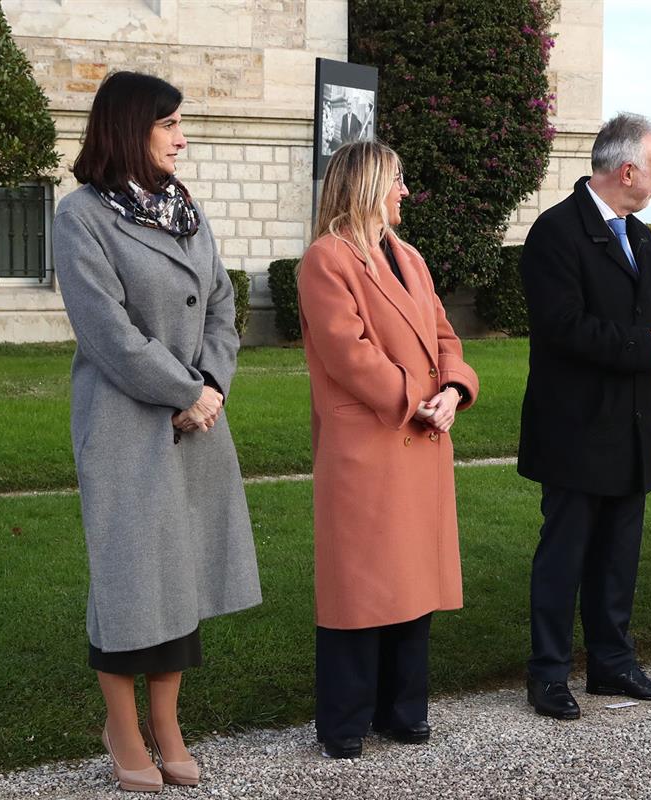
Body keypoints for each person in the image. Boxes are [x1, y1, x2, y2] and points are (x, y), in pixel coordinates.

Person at [52, 71, 262, 792]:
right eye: (169, 123)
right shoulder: (80, 215)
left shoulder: (181, 207)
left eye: (181, 123)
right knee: (129, 584)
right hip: (124, 429)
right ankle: (122, 727)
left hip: (196, 424)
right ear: (129, 127)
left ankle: (168, 725)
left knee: (183, 579)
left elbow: (223, 302)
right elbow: (106, 330)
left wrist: (212, 386)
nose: (182, 136)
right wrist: (185, 390)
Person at [297, 141, 479, 758]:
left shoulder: (411, 258)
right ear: (371, 184)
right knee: (359, 587)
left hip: (419, 437)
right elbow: (347, 352)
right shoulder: (327, 259)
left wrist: (453, 389)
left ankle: (403, 711)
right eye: (399, 180)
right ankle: (346, 721)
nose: (406, 192)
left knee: (412, 582)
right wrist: (417, 395)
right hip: (368, 445)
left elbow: (446, 335)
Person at [518, 112, 651, 720]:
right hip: (576, 426)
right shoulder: (557, 233)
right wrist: (645, 346)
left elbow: (649, 312)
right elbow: (563, 328)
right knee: (565, 553)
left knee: (619, 552)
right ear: (626, 170)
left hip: (631, 420)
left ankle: (613, 663)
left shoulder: (639, 234)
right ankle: (549, 673)